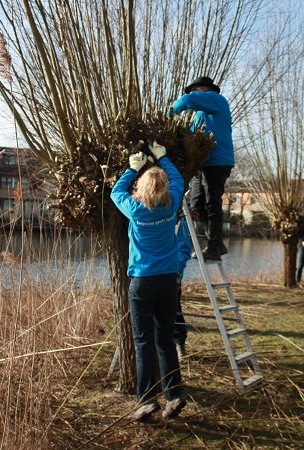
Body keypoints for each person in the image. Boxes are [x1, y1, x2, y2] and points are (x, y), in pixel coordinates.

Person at [110, 141, 187, 422]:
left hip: (142, 282)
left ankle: (146, 401)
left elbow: (115, 191)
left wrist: (133, 169)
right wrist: (163, 159)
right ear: (164, 187)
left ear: (142, 188)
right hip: (168, 281)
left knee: (143, 342)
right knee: (165, 340)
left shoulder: (135, 209)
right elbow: (178, 179)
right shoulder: (172, 203)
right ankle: (175, 395)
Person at [171, 76, 234, 260]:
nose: (192, 94)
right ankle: (217, 243)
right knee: (196, 203)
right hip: (203, 163)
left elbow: (186, 100)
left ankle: (213, 247)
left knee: (212, 202)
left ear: (204, 89)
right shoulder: (199, 115)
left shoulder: (217, 100)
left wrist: (170, 112)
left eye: (195, 90)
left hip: (218, 161)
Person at [173, 214, 193, 358]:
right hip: (155, 274)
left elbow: (184, 250)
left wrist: (176, 272)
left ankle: (180, 345)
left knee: (175, 312)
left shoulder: (181, 224)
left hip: (173, 276)